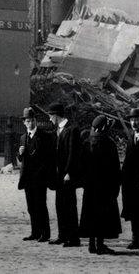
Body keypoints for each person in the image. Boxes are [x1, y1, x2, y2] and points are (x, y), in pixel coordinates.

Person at [79, 115, 121, 255]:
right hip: (105, 187)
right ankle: (100, 244)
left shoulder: (87, 143)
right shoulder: (109, 143)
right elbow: (115, 168)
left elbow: (82, 166)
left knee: (90, 214)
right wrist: (116, 186)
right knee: (102, 216)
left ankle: (91, 244)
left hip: (90, 187)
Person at [17, 107, 54, 243]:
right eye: (27, 121)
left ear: (35, 121)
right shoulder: (23, 138)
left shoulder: (44, 136)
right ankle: (35, 232)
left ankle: (45, 233)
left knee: (40, 205)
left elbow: (48, 158)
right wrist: (20, 154)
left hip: (39, 178)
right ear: (24, 123)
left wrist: (42, 174)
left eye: (32, 120)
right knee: (31, 206)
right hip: (27, 178)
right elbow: (21, 159)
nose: (30, 123)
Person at [48, 102, 81, 248]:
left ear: (56, 115)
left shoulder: (72, 129)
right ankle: (62, 235)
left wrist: (69, 172)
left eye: (50, 116)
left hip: (67, 175)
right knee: (60, 205)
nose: (49, 119)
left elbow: (73, 154)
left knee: (69, 206)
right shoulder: (59, 130)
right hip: (59, 175)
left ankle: (73, 238)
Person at [121, 107, 139, 250]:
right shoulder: (131, 136)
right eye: (132, 120)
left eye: (137, 120)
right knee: (134, 212)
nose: (134, 123)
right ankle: (136, 239)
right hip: (132, 183)